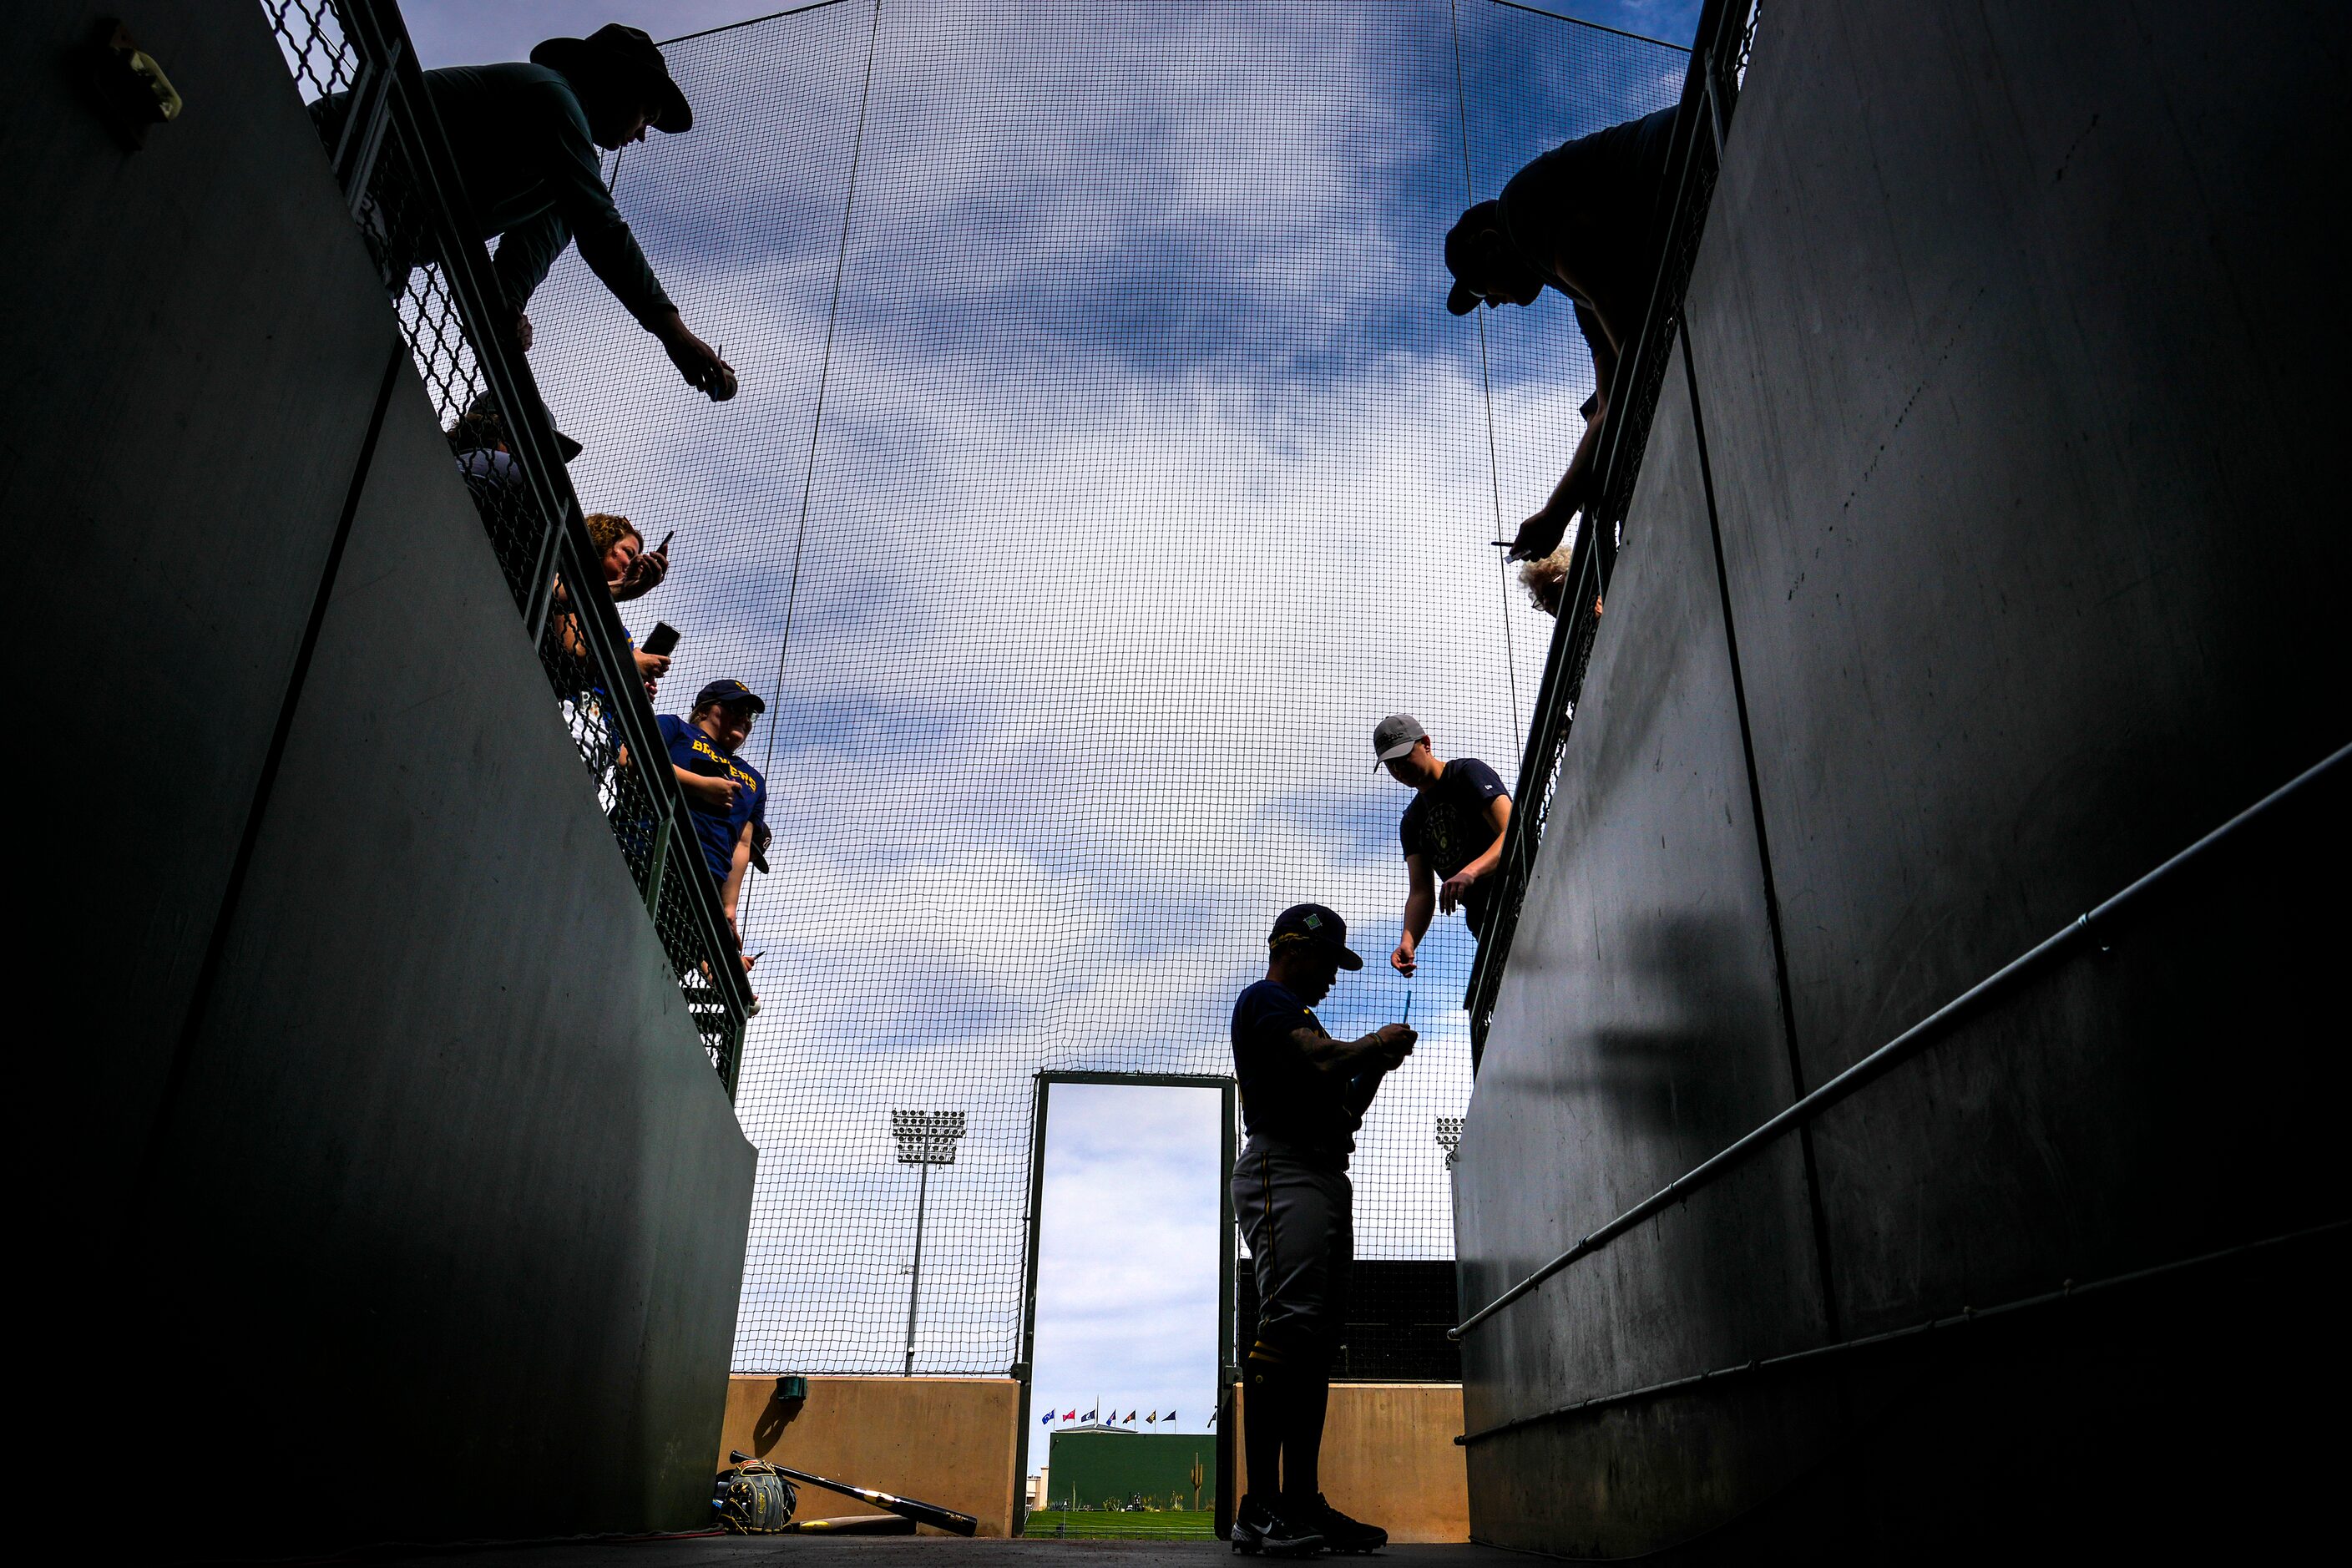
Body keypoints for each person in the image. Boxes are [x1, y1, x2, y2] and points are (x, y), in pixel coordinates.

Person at [316, 24, 737, 400]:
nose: (644, 134)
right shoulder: (551, 96)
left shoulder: (562, 180)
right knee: (340, 305)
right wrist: (675, 335)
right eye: (647, 114)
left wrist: (509, 307)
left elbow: (528, 254)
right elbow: (601, 228)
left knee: (342, 315)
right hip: (335, 158)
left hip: (387, 232)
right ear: (616, 85)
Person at [1229, 903, 1415, 1557]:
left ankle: (1301, 1504)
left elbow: (1340, 1107)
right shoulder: (1266, 999)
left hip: (1321, 1170)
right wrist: (1369, 1046)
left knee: (1313, 1343)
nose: (1334, 978)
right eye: (1328, 962)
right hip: (1284, 1166)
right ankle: (1258, 1509)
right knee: (1286, 1330)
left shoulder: (1305, 1017)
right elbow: (1312, 1060)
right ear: (1295, 949)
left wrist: (1371, 1071)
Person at [1443, 104, 1686, 564]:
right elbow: (1612, 404)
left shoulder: (1521, 213)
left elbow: (1639, 352)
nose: (1491, 303)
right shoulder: (1584, 297)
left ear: (1491, 244)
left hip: (1699, 150)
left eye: (1481, 289)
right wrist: (1556, 513)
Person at [1373, 715, 1513, 978]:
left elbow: (1512, 833)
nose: (1399, 770)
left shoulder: (1466, 774)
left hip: (1519, 892)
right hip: (1485, 920)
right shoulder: (1412, 821)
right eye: (1391, 765)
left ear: (1425, 744)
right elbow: (1421, 892)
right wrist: (1408, 940)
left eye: (1403, 758)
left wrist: (1469, 872)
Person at [660, 680, 769, 967]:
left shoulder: (753, 778)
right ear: (707, 709)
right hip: (654, 851)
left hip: (705, 885)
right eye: (737, 708)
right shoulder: (675, 728)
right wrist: (702, 786)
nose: (745, 719)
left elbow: (743, 844)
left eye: (750, 715)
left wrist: (728, 907)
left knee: (668, 961)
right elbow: (630, 756)